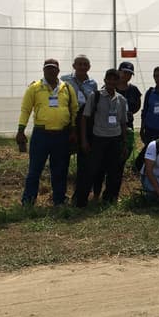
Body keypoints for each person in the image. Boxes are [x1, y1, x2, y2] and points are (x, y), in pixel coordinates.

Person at [17, 58, 78, 206]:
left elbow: (74, 110)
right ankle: (28, 201)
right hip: (41, 135)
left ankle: (59, 200)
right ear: (44, 70)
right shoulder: (35, 88)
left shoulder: (67, 88)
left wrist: (74, 131)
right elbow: (26, 109)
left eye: (54, 68)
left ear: (58, 70)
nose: (51, 70)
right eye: (48, 68)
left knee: (60, 170)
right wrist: (21, 130)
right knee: (34, 170)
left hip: (61, 136)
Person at [77, 69, 128, 207]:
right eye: (109, 79)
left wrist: (124, 143)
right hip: (98, 139)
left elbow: (123, 123)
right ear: (105, 80)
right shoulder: (95, 96)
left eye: (114, 80)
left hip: (115, 140)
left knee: (114, 171)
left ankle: (110, 199)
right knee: (91, 170)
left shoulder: (121, 100)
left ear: (118, 82)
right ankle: (81, 201)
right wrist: (84, 140)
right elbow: (84, 118)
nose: (111, 82)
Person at [91, 60, 141, 201]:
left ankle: (112, 195)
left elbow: (136, 106)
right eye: (124, 72)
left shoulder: (134, 91)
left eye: (129, 73)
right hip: (103, 132)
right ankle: (96, 194)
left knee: (118, 165)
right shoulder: (106, 89)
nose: (126, 75)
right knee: (101, 165)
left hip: (124, 130)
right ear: (119, 72)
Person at [61, 55, 98, 205]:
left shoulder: (93, 84)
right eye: (80, 64)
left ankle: (80, 195)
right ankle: (60, 196)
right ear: (74, 66)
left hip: (86, 123)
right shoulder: (64, 80)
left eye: (85, 64)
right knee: (62, 161)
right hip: (68, 121)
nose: (82, 67)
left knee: (85, 162)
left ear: (89, 67)